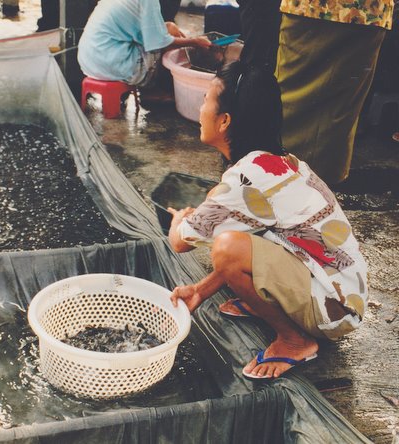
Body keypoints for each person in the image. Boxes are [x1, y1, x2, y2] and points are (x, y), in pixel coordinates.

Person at [167, 61, 368, 380]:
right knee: (234, 233)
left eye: (206, 99)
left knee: (226, 246)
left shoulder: (246, 178)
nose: (201, 106)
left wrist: (179, 218)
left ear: (225, 121)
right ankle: (269, 301)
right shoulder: (273, 162)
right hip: (340, 290)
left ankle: (295, 340)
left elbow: (180, 242)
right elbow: (261, 232)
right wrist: (200, 291)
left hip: (334, 310)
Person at [276, 0, 394, 184]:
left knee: (292, 97)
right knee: (336, 112)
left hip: (314, 9)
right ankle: (314, 195)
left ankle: (277, 182)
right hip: (365, 12)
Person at [78, 0, 211, 88]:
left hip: (89, 61)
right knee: (169, 46)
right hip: (110, 64)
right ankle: (161, 91)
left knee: (169, 28)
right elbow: (161, 42)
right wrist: (195, 42)